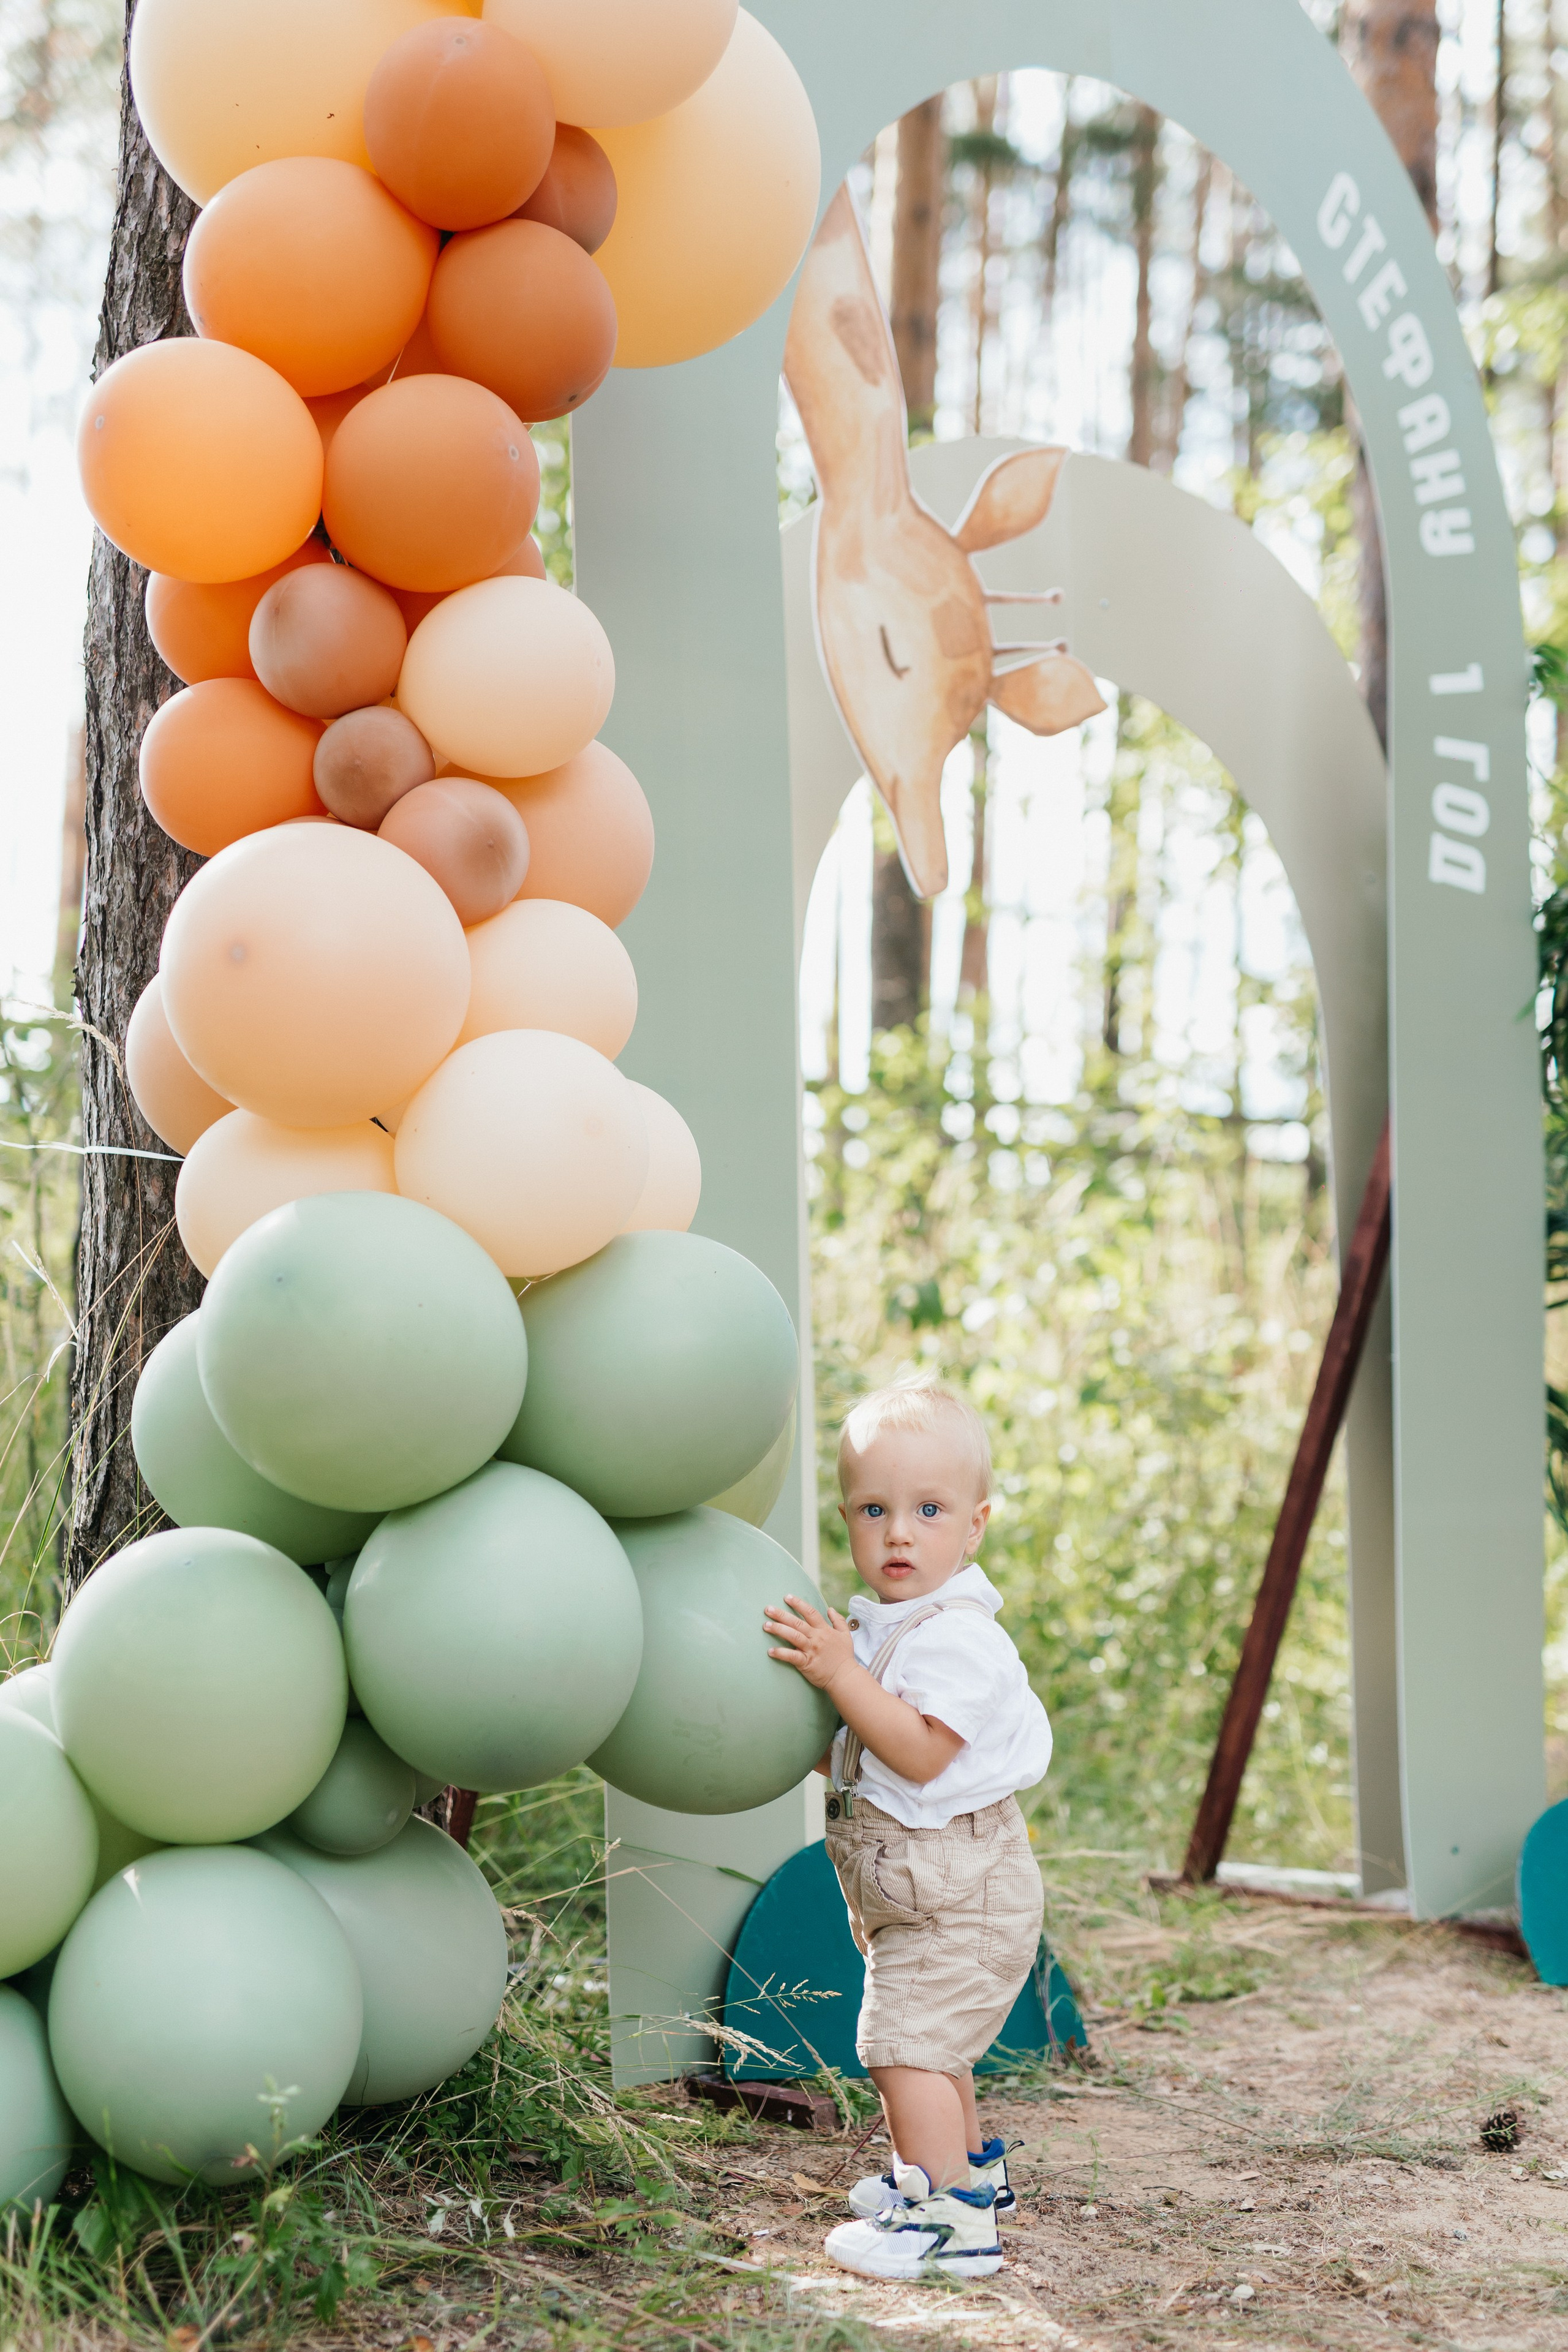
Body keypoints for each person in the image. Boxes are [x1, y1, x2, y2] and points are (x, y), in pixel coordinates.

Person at [763, 1378, 1052, 2283]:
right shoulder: (886, 1628)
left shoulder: (957, 1636)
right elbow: (868, 1749)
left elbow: (920, 1752)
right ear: (847, 1515)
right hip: (927, 1892)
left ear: (974, 1525)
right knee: (940, 2044)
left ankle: (947, 2226)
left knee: (905, 2047)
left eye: (929, 1510)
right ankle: (966, 2178)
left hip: (962, 1892)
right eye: (875, 1508)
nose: (898, 1533)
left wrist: (841, 1676)